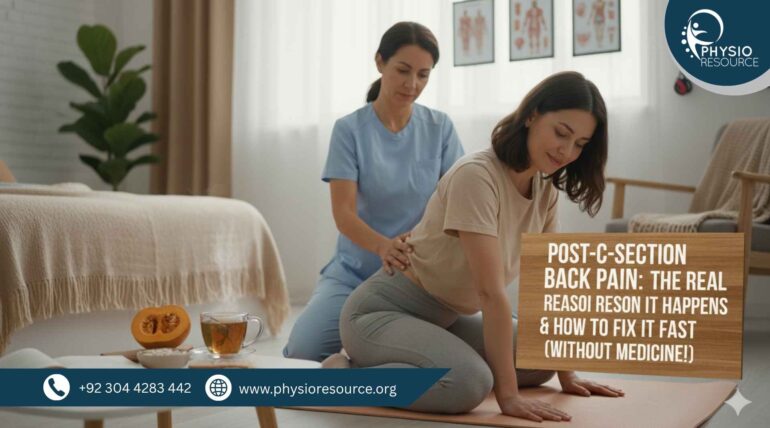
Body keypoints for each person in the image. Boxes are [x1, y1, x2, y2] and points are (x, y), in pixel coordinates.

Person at [338, 71, 624, 421]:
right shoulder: (477, 176)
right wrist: (508, 398)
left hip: (445, 318)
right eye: (561, 133)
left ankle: (413, 359)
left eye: (580, 143)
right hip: (383, 313)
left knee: (540, 363)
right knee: (469, 383)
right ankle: (346, 375)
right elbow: (490, 294)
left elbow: (548, 284)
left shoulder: (544, 189)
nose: (567, 151)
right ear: (532, 115)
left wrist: (568, 375)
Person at [283, 22, 465, 362]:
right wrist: (384, 246)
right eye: (403, 70)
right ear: (380, 62)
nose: (412, 84)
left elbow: (455, 203)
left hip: (417, 277)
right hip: (354, 271)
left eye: (423, 75)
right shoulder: (349, 130)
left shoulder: (440, 128)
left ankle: (359, 360)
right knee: (301, 353)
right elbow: (344, 214)